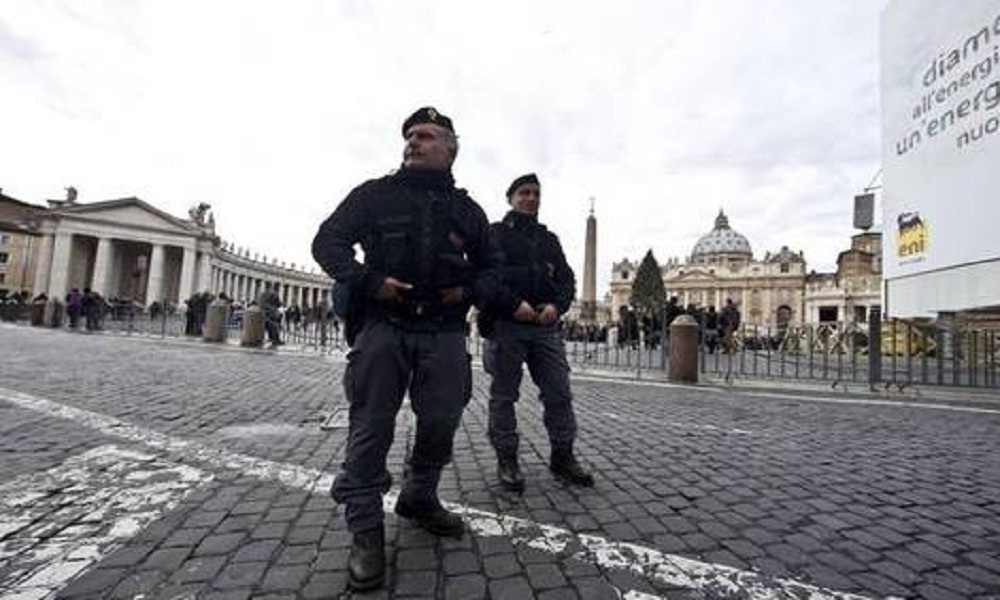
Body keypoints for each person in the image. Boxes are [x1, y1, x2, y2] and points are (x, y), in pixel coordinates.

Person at [311, 107, 503, 591]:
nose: (413, 142)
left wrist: (468, 294)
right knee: (370, 427)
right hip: (383, 327)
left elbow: (495, 269)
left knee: (441, 420)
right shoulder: (374, 194)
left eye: (426, 136)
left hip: (442, 329)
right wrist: (368, 280)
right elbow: (328, 241)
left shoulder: (469, 211)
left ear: (450, 147)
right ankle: (365, 528)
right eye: (410, 136)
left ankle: (419, 494)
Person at [478, 173, 593, 494]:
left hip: (545, 327)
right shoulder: (494, 234)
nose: (531, 198)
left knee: (559, 393)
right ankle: (507, 459)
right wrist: (514, 305)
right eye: (524, 193)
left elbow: (567, 281)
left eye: (536, 193)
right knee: (504, 396)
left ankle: (563, 455)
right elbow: (485, 279)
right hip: (507, 325)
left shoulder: (549, 240)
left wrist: (557, 307)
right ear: (511, 198)